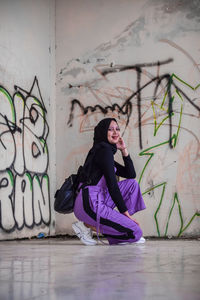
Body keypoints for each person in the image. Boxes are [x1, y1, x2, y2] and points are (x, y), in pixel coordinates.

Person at [72, 118, 146, 245]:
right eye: (110, 129)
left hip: (97, 198)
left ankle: (89, 225)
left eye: (117, 129)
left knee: (132, 185)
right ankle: (89, 226)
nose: (115, 132)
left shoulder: (104, 151)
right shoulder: (104, 151)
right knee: (134, 233)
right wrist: (126, 214)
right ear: (102, 132)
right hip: (89, 203)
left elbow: (131, 174)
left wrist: (124, 150)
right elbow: (112, 186)